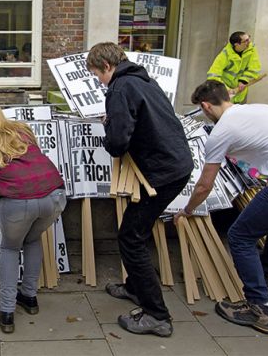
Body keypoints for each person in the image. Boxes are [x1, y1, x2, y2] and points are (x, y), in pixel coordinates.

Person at [174, 80, 268, 334]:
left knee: (240, 236)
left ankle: (260, 308)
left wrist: (187, 210)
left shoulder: (221, 132)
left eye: (202, 110)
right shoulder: (260, 109)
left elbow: (204, 186)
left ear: (206, 106)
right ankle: (263, 277)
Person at [86, 42, 193, 337]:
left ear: (107, 66)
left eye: (97, 74)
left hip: (161, 173)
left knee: (131, 237)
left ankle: (157, 315)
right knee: (136, 231)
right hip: (176, 165)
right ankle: (135, 287)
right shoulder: (144, 79)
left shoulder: (119, 89)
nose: (98, 80)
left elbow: (118, 142)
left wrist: (108, 129)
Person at [0, 97, 66, 334]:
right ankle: (29, 298)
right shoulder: (21, 129)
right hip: (55, 194)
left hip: (18, 201)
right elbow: (33, 161)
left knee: (11, 248)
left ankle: (7, 312)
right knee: (32, 240)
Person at [207, 31, 262, 104]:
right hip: (226, 96)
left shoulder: (251, 49)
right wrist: (225, 90)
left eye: (249, 38)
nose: (249, 42)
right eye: (246, 41)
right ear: (237, 44)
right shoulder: (225, 54)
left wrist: (243, 81)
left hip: (240, 94)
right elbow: (213, 75)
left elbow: (254, 68)